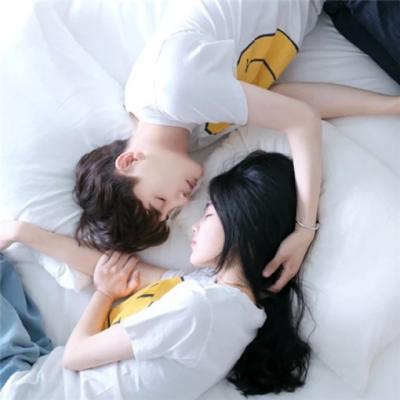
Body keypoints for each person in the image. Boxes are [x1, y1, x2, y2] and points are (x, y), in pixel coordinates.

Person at [73, 0, 400, 292]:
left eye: (160, 200)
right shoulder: (189, 132)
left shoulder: (175, 91)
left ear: (130, 161)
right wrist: (388, 106)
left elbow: (301, 120)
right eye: (171, 213)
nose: (182, 200)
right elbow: (283, 102)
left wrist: (304, 229)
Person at [1, 151, 310, 399]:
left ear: (244, 229)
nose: (195, 226)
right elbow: (117, 268)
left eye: (209, 214)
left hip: (25, 386)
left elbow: (75, 355)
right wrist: (21, 232)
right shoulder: (225, 303)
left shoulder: (201, 309)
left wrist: (104, 294)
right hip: (40, 371)